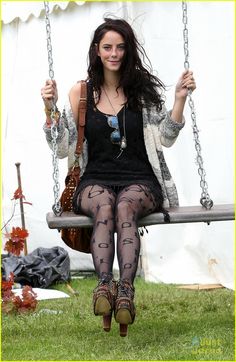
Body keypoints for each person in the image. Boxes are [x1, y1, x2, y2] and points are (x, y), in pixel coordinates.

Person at [41, 18, 196, 337]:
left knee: (124, 206)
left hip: (141, 179)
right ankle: (103, 287)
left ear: (128, 50)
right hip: (94, 179)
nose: (114, 53)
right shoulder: (81, 92)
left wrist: (180, 98)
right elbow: (61, 147)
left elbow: (166, 137)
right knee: (104, 205)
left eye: (120, 47)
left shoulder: (142, 91)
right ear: (97, 51)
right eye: (108, 47)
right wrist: (49, 108)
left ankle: (123, 291)